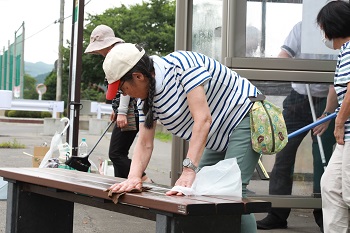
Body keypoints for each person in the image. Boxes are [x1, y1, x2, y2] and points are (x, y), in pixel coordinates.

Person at [102, 43, 263, 233]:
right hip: (215, 133)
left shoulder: (183, 66)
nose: (124, 94)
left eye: (123, 88)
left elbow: (202, 120)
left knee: (231, 194)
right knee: (200, 192)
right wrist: (134, 177)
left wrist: (188, 170)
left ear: (138, 77)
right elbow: (145, 142)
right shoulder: (146, 99)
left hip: (243, 117)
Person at [256, 21, 337, 232]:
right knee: (283, 153)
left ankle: (323, 214)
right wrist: (294, 71)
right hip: (298, 98)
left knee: (323, 159)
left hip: (327, 100)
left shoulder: (339, 32)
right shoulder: (302, 28)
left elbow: (336, 80)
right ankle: (277, 213)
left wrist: (327, 115)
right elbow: (284, 56)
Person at [84, 25, 152, 182]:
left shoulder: (119, 54)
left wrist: (122, 111)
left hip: (130, 110)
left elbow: (127, 86)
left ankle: (143, 180)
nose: (98, 52)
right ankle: (124, 184)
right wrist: (116, 108)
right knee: (118, 153)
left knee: (116, 153)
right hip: (126, 109)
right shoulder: (119, 52)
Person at [317, 1, 350, 232]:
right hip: (346, 135)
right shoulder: (344, 53)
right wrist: (332, 114)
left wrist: (338, 122)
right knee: (331, 186)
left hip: (347, 132)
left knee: (348, 192)